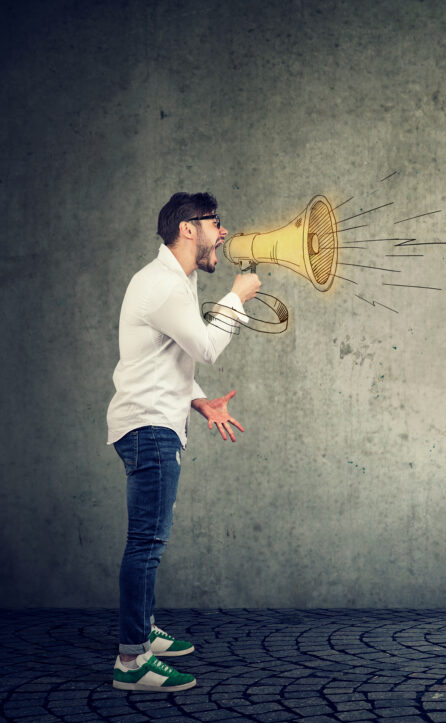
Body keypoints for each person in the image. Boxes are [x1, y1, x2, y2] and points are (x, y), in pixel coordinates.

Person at [106, 192, 260, 692]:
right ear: (190, 229)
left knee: (148, 542)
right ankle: (132, 662)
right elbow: (208, 347)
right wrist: (238, 296)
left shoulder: (173, 280)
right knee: (146, 545)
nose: (224, 234)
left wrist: (199, 402)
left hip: (152, 422)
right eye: (217, 224)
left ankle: (143, 632)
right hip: (150, 429)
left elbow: (163, 356)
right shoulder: (166, 286)